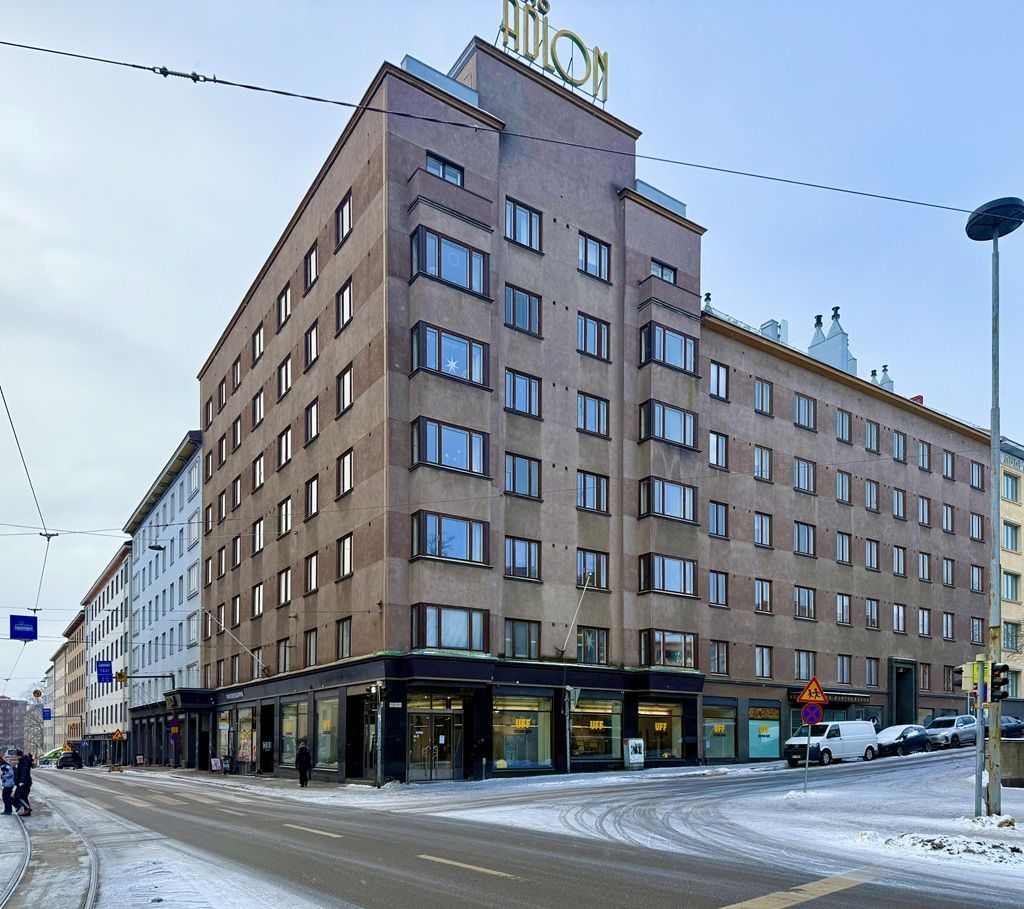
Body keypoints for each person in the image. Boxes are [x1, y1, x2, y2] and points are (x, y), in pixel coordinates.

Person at [12, 750, 32, 817]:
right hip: (23, 782)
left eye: (16, 755)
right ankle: (26, 811)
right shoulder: (22, 761)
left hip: (24, 783)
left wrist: (22, 782)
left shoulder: (23, 761)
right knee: (23, 796)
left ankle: (28, 809)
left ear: (19, 755)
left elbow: (24, 772)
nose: (15, 757)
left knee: (19, 796)